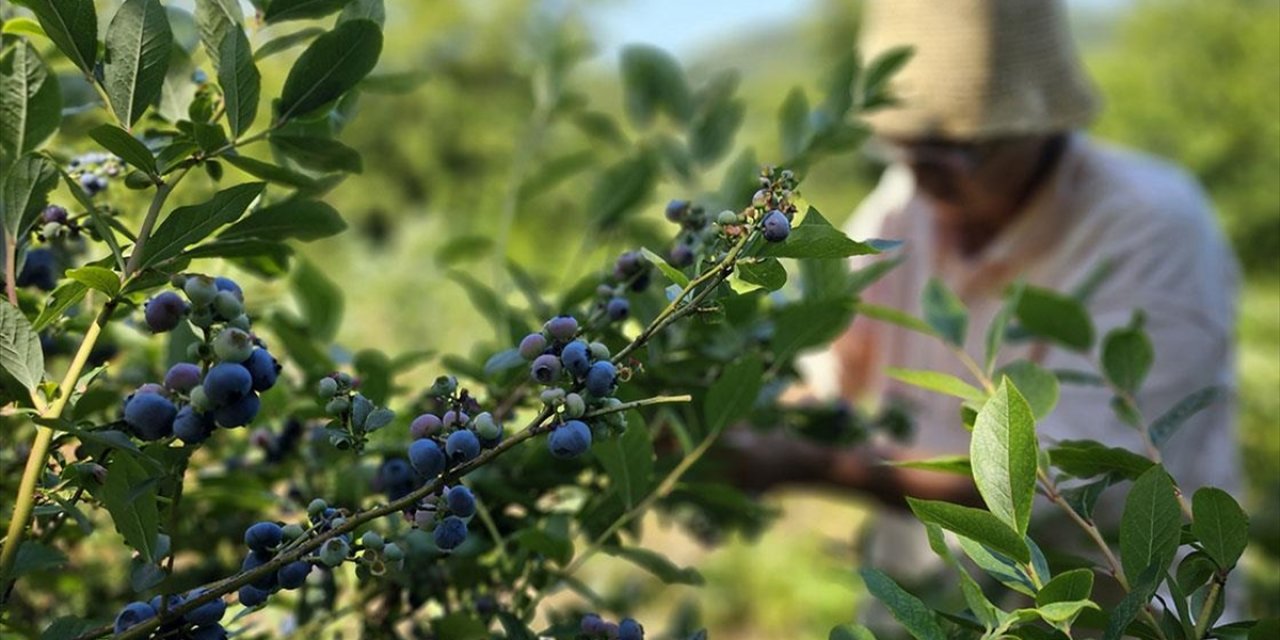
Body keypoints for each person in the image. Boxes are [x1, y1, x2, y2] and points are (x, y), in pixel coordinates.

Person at [727, 0, 1244, 626]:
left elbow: (1057, 486)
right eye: (903, 145)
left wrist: (816, 464)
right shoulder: (903, 202)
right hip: (923, 612)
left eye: (953, 151)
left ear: (1040, 124)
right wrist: (737, 417)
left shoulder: (1154, 227)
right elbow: (821, 364)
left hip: (1102, 621)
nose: (924, 175)